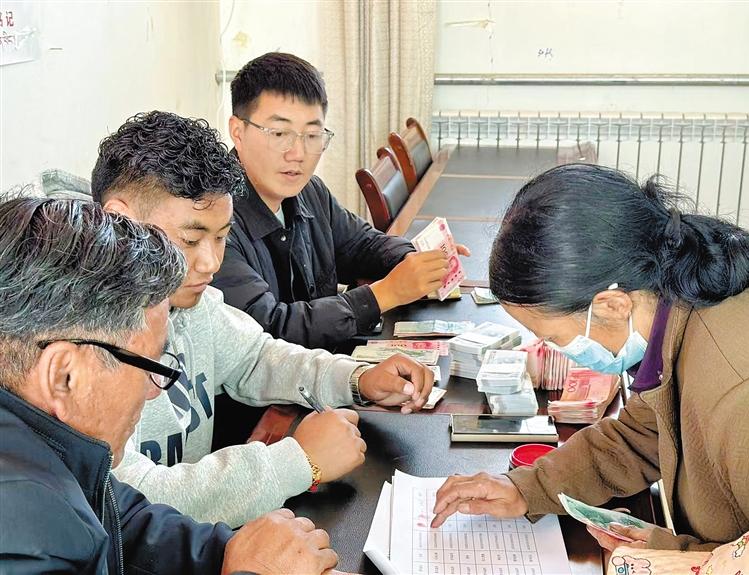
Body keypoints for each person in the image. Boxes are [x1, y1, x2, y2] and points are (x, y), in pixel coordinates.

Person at [90, 110, 435, 528]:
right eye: (191, 239)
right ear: (120, 219)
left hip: (194, 542)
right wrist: (297, 461)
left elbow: (257, 358)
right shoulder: (82, 344)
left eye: (222, 237)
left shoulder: (191, 305)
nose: (211, 263)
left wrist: (356, 379)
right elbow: (131, 503)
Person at [430, 164, 749, 551]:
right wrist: (526, 488)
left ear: (611, 305)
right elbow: (642, 437)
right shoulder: (678, 311)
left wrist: (679, 557)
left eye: (553, 337)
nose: (552, 349)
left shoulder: (744, 394)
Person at [0, 197, 338, 574]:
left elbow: (128, 525)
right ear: (64, 376)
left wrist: (233, 551)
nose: (154, 391)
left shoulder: (61, 450)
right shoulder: (16, 538)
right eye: (149, 365)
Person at [212, 51, 469, 351]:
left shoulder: (309, 191)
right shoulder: (214, 224)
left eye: (312, 135)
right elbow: (268, 332)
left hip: (327, 366)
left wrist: (415, 259)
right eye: (280, 133)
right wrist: (385, 294)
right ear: (238, 131)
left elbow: (360, 244)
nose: (298, 153)